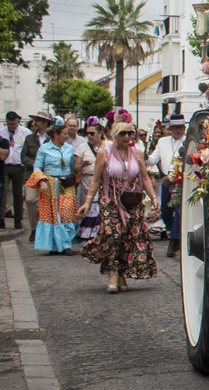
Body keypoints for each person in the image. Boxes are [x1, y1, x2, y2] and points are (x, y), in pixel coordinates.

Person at [80, 122, 158, 293]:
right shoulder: (104, 153)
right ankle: (113, 273)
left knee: (129, 237)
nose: (127, 137)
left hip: (132, 200)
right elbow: (96, 179)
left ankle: (122, 274)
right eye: (123, 133)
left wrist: (153, 198)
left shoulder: (137, 153)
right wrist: (87, 201)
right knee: (112, 233)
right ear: (115, 134)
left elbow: (144, 178)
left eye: (130, 134)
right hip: (110, 199)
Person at [32, 121, 79, 255]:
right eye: (64, 133)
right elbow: (37, 167)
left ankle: (66, 244)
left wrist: (75, 174)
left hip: (66, 184)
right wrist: (41, 181)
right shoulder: (44, 148)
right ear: (56, 135)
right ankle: (55, 246)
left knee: (67, 213)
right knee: (52, 215)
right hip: (50, 183)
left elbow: (72, 167)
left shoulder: (69, 149)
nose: (67, 136)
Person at [148, 114, 187, 257]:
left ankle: (174, 241)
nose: (178, 130)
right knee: (165, 211)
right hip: (166, 179)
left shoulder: (189, 141)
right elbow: (153, 159)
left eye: (180, 127)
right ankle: (175, 232)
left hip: (181, 179)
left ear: (184, 128)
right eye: (175, 127)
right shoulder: (162, 141)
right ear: (170, 129)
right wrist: (144, 157)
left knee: (179, 209)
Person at [22, 112, 53, 243]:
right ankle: (35, 228)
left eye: (39, 121)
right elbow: (23, 156)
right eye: (35, 120)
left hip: (48, 176)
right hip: (32, 175)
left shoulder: (52, 138)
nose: (35, 123)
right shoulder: (29, 138)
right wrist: (34, 164)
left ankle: (45, 229)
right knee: (30, 200)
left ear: (45, 123)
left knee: (47, 203)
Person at [0, 110, 32, 229]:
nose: (11, 127)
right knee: (2, 192)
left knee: (18, 194)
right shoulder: (1, 132)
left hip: (19, 166)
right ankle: (1, 218)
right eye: (9, 124)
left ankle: (18, 219)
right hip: (4, 165)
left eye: (13, 124)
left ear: (18, 121)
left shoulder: (25, 133)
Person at [74, 123, 103, 245]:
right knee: (92, 206)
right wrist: (82, 166)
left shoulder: (108, 146)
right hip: (88, 180)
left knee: (101, 206)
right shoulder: (82, 147)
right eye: (88, 134)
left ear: (100, 134)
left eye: (92, 133)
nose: (89, 136)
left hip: (104, 181)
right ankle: (89, 235)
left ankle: (100, 233)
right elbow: (76, 168)